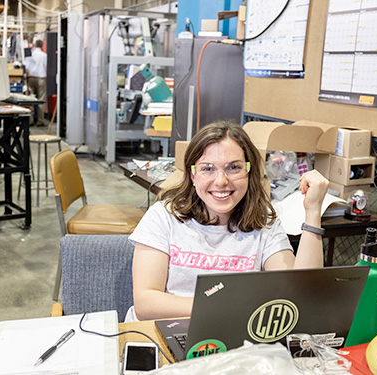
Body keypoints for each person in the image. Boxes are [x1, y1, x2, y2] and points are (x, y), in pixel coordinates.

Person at [127, 120, 329, 322]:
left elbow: (301, 295)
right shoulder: (164, 216)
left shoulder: (263, 221)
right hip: (167, 330)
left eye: (233, 168)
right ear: (192, 174)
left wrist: (313, 211)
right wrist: (228, 307)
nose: (221, 181)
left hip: (232, 336)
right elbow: (146, 304)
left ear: (249, 172)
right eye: (207, 169)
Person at [24, 40, 47, 125]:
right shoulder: (44, 56)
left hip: (31, 78)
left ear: (34, 45)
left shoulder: (30, 55)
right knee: (41, 100)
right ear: (42, 46)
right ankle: (40, 121)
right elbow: (47, 67)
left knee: (30, 100)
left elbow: (26, 66)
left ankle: (30, 120)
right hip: (41, 79)